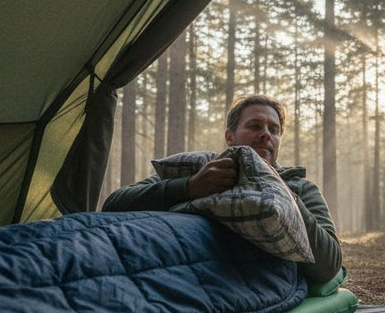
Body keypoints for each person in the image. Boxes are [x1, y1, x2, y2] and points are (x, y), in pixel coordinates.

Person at [103, 94, 342, 284]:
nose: (265, 135)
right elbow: (114, 204)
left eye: (274, 130)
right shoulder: (204, 171)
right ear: (230, 137)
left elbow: (330, 265)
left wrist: (285, 197)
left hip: (252, 283)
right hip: (175, 274)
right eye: (255, 126)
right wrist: (189, 187)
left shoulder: (300, 187)